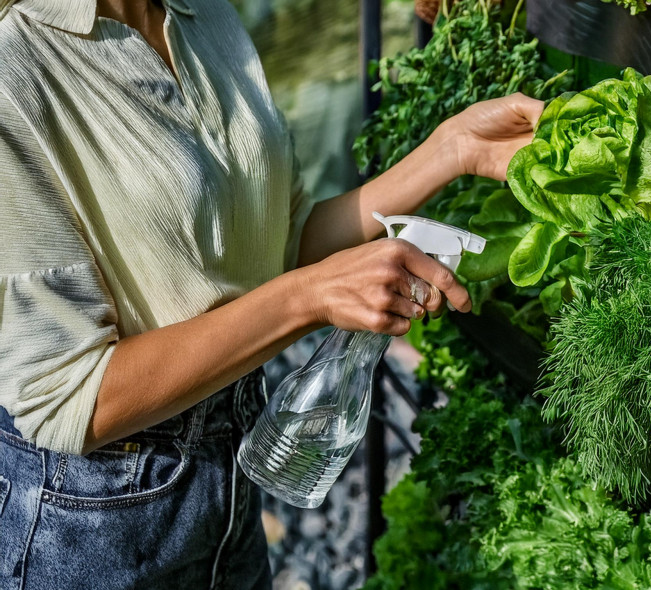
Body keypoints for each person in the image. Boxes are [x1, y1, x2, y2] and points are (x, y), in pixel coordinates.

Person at [0, 0, 543, 585]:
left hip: (228, 475)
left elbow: (283, 245)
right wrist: (307, 296)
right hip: (91, 518)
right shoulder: (17, 70)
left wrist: (451, 150)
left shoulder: (204, 16)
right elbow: (71, 400)